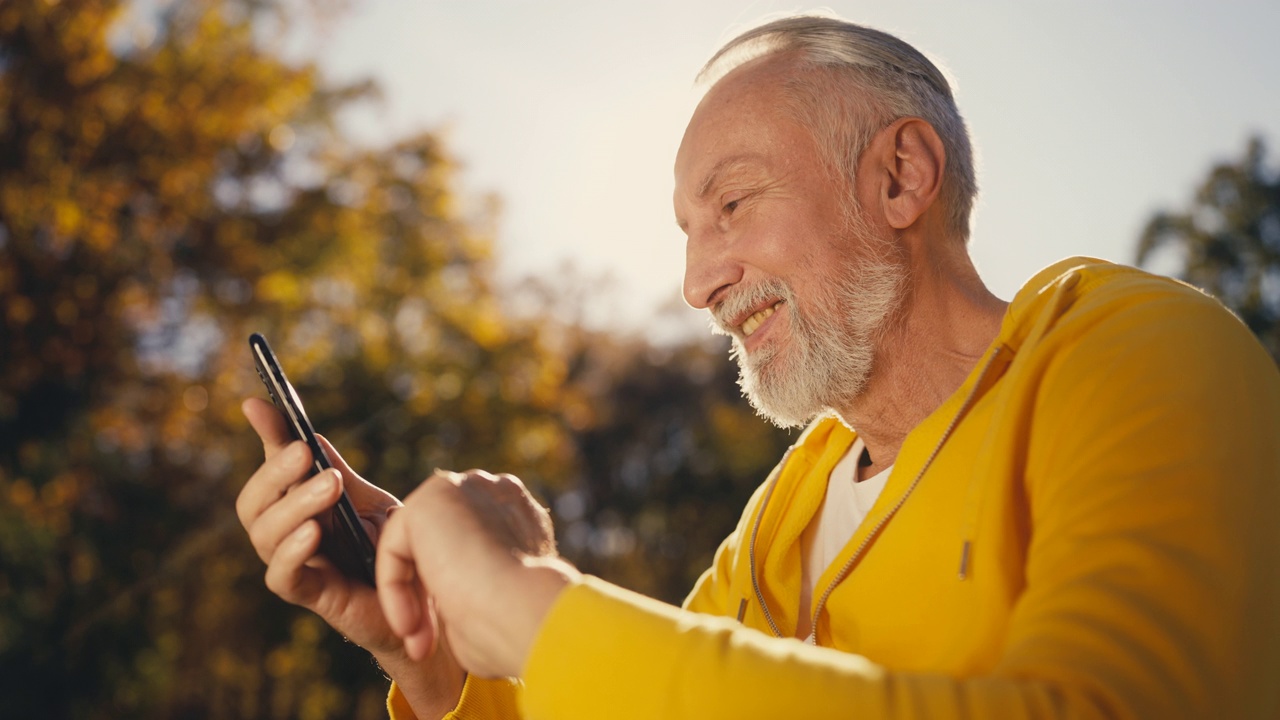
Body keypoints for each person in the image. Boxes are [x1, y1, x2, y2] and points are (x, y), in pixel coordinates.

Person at [236, 14, 1280, 720]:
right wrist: (439, 667)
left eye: (732, 206)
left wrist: (527, 601)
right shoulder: (781, 517)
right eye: (687, 231)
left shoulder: (1134, 352)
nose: (697, 283)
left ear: (900, 176)